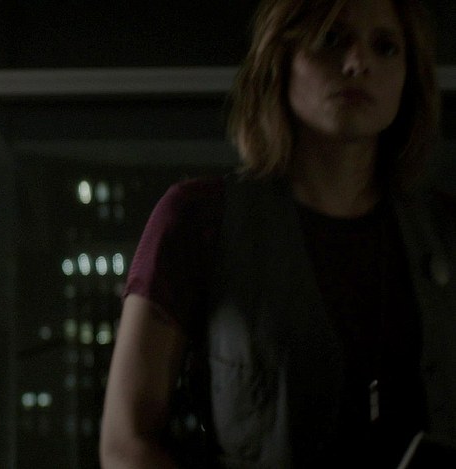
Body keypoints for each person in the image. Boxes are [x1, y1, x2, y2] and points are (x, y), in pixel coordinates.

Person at [99, 0, 456, 467]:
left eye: (386, 47)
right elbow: (126, 444)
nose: (357, 63)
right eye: (331, 39)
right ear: (279, 60)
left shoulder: (443, 230)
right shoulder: (198, 218)